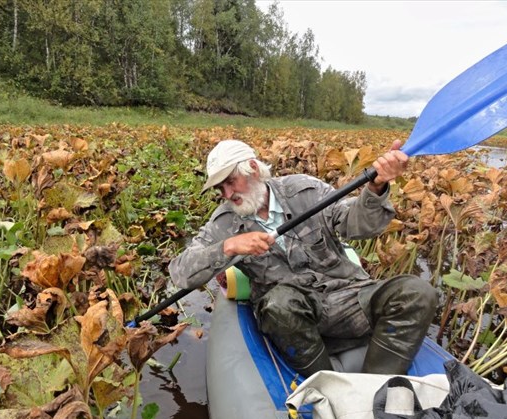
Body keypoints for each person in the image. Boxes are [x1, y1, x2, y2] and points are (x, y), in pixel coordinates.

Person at [169, 139, 438, 377]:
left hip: (349, 298)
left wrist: (376, 187)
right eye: (220, 188)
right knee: (278, 304)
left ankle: (377, 387)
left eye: (230, 182)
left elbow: (357, 226)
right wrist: (228, 246)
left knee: (418, 292)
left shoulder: (304, 190)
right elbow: (180, 272)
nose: (227, 195)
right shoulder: (223, 223)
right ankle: (327, 385)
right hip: (292, 318)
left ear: (252, 168)